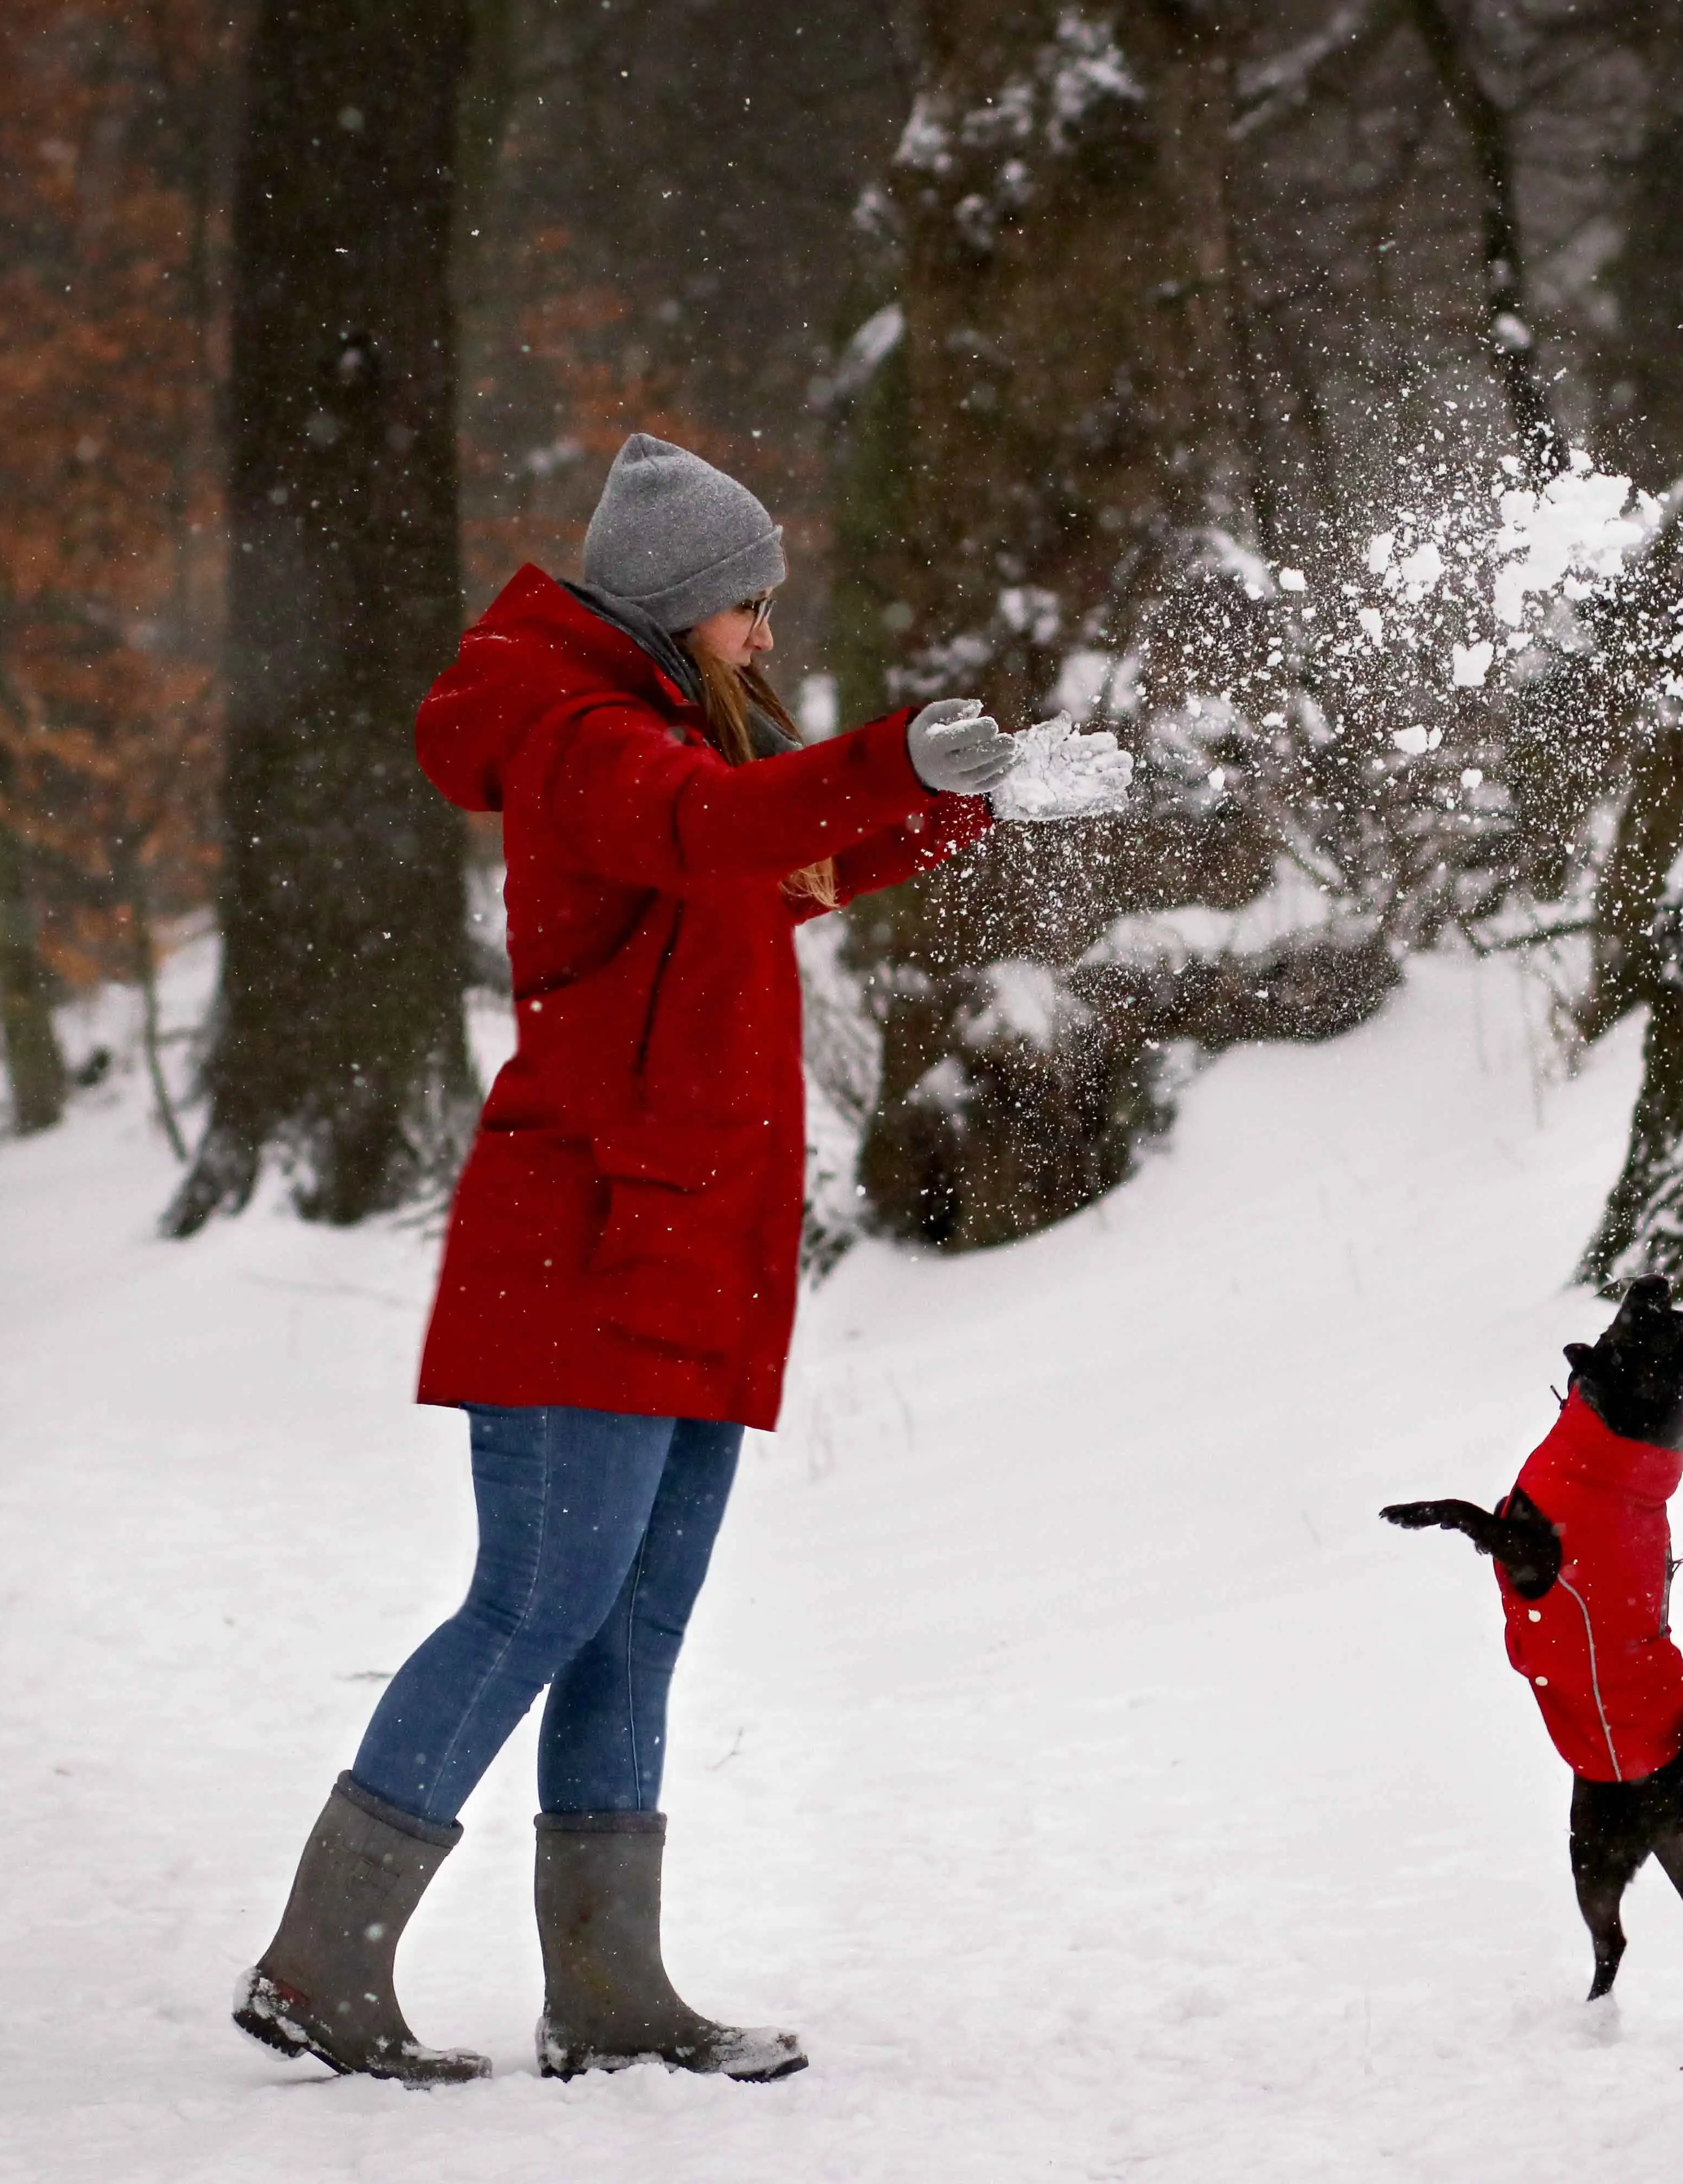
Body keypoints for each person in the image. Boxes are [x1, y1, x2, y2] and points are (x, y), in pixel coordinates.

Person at [233, 434, 1023, 2087]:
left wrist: (946, 805)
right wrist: (889, 753)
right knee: (539, 1602)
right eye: (747, 607)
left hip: (691, 1241)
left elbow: (770, 866)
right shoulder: (586, 741)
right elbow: (720, 826)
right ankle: (320, 1966)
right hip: (584, 1240)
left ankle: (611, 1994)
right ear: (676, 605)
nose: (764, 636)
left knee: (634, 1627)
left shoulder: (666, 739)